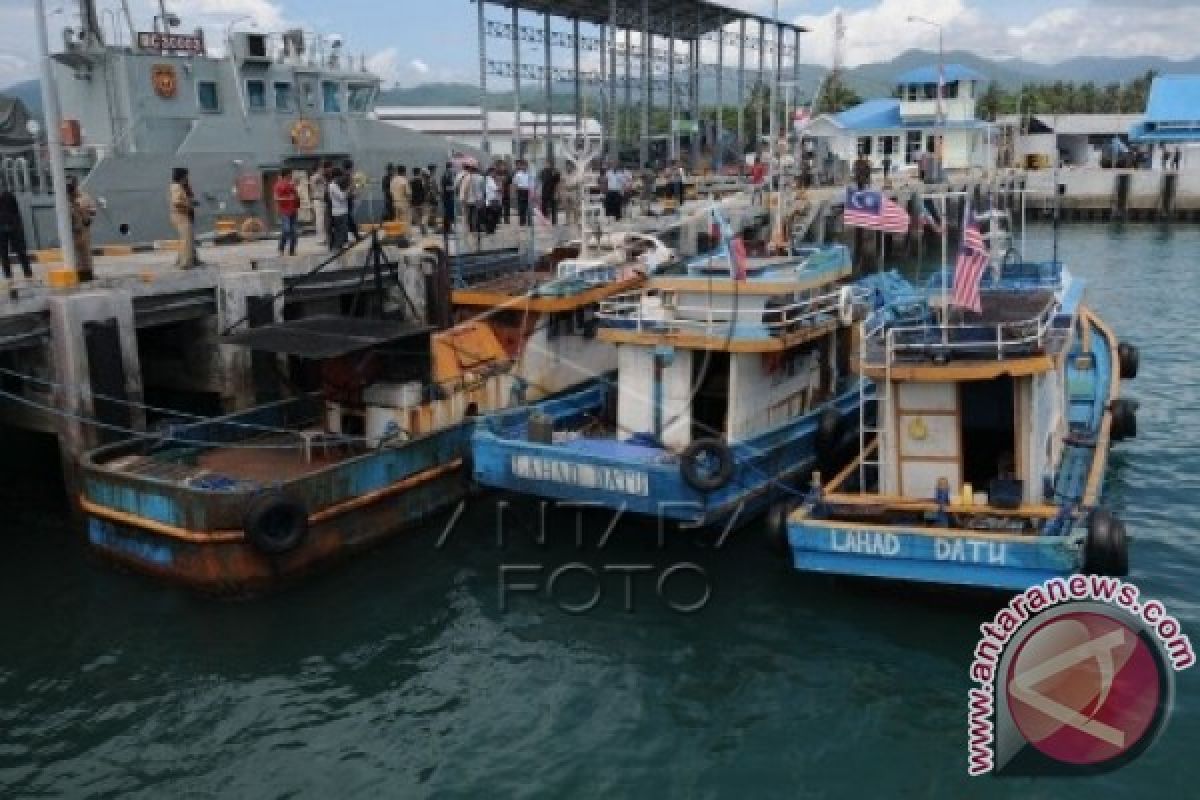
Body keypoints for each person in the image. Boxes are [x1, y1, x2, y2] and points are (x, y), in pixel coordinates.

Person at [66, 177, 96, 280]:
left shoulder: (84, 197)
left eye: (72, 186)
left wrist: (89, 220)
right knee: (75, 255)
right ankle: (78, 274)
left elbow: (93, 210)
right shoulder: (64, 199)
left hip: (84, 229)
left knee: (86, 253)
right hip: (71, 232)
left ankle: (88, 274)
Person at [0, 189, 33, 282]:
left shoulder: (9, 195)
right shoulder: (9, 195)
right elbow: (16, 210)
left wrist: (17, 224)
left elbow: (16, 210)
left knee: (16, 251)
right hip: (7, 228)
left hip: (11, 227)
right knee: (7, 253)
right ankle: (12, 275)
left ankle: (24, 273)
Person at [169, 167, 197, 269]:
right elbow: (177, 201)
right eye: (186, 175)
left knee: (185, 239)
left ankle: (183, 260)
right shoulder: (177, 187)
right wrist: (189, 205)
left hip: (181, 215)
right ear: (182, 176)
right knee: (186, 239)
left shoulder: (178, 186)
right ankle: (185, 263)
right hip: (181, 215)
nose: (187, 178)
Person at [274, 168, 300, 256]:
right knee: (286, 230)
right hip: (284, 211)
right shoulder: (279, 185)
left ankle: (292, 250)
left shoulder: (292, 185)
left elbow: (295, 196)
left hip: (293, 210)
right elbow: (276, 198)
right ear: (287, 175)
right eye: (290, 174)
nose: (291, 176)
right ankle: (281, 249)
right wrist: (288, 198)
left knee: (294, 231)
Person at [311, 161, 331, 247]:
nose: (322, 169)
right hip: (318, 200)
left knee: (324, 220)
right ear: (318, 169)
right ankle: (320, 239)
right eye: (321, 168)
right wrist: (320, 175)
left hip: (323, 200)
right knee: (320, 220)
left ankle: (324, 237)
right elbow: (315, 181)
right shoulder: (315, 176)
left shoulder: (321, 177)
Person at [328, 172, 350, 250]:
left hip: (339, 210)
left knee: (340, 229)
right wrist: (348, 190)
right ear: (336, 177)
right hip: (339, 211)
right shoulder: (333, 186)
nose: (341, 179)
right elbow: (342, 197)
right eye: (340, 177)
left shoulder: (333, 185)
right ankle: (339, 245)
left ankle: (340, 244)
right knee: (342, 229)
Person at [342, 159, 361, 243]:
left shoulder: (345, 176)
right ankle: (355, 236)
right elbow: (350, 189)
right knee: (349, 219)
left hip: (347, 200)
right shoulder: (347, 177)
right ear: (351, 167)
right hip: (348, 200)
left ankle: (354, 235)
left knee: (349, 219)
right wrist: (354, 193)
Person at [539, 160, 561, 226]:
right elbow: (541, 180)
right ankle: (544, 221)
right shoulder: (543, 171)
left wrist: (557, 192)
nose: (547, 165)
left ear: (552, 164)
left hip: (553, 192)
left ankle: (554, 222)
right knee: (544, 208)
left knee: (554, 208)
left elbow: (558, 182)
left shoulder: (556, 171)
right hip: (545, 192)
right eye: (546, 163)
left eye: (549, 164)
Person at [514, 160, 532, 226]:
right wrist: (516, 192)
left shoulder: (529, 174)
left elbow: (531, 183)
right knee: (522, 207)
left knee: (529, 207)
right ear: (521, 166)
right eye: (523, 165)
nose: (524, 167)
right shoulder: (518, 174)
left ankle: (530, 221)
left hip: (528, 191)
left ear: (527, 166)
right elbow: (515, 184)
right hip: (521, 190)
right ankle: (522, 221)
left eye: (526, 165)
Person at [440, 161, 456, 235]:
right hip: (448, 197)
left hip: (446, 197)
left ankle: (447, 228)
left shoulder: (445, 174)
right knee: (448, 213)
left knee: (447, 213)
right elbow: (446, 188)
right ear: (450, 167)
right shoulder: (447, 175)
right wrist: (454, 188)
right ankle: (447, 229)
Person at [484, 167, 501, 234]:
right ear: (490, 172)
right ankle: (490, 229)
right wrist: (499, 186)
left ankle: (491, 229)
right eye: (494, 172)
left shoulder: (490, 179)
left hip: (492, 200)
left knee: (492, 215)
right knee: (492, 216)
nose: (495, 174)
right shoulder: (489, 179)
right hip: (491, 200)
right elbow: (496, 189)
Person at [411, 167, 428, 234]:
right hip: (422, 201)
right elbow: (425, 190)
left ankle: (422, 229)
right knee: (425, 214)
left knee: (417, 216)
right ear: (419, 172)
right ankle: (423, 223)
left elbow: (409, 191)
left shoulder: (410, 181)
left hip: (414, 202)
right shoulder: (422, 181)